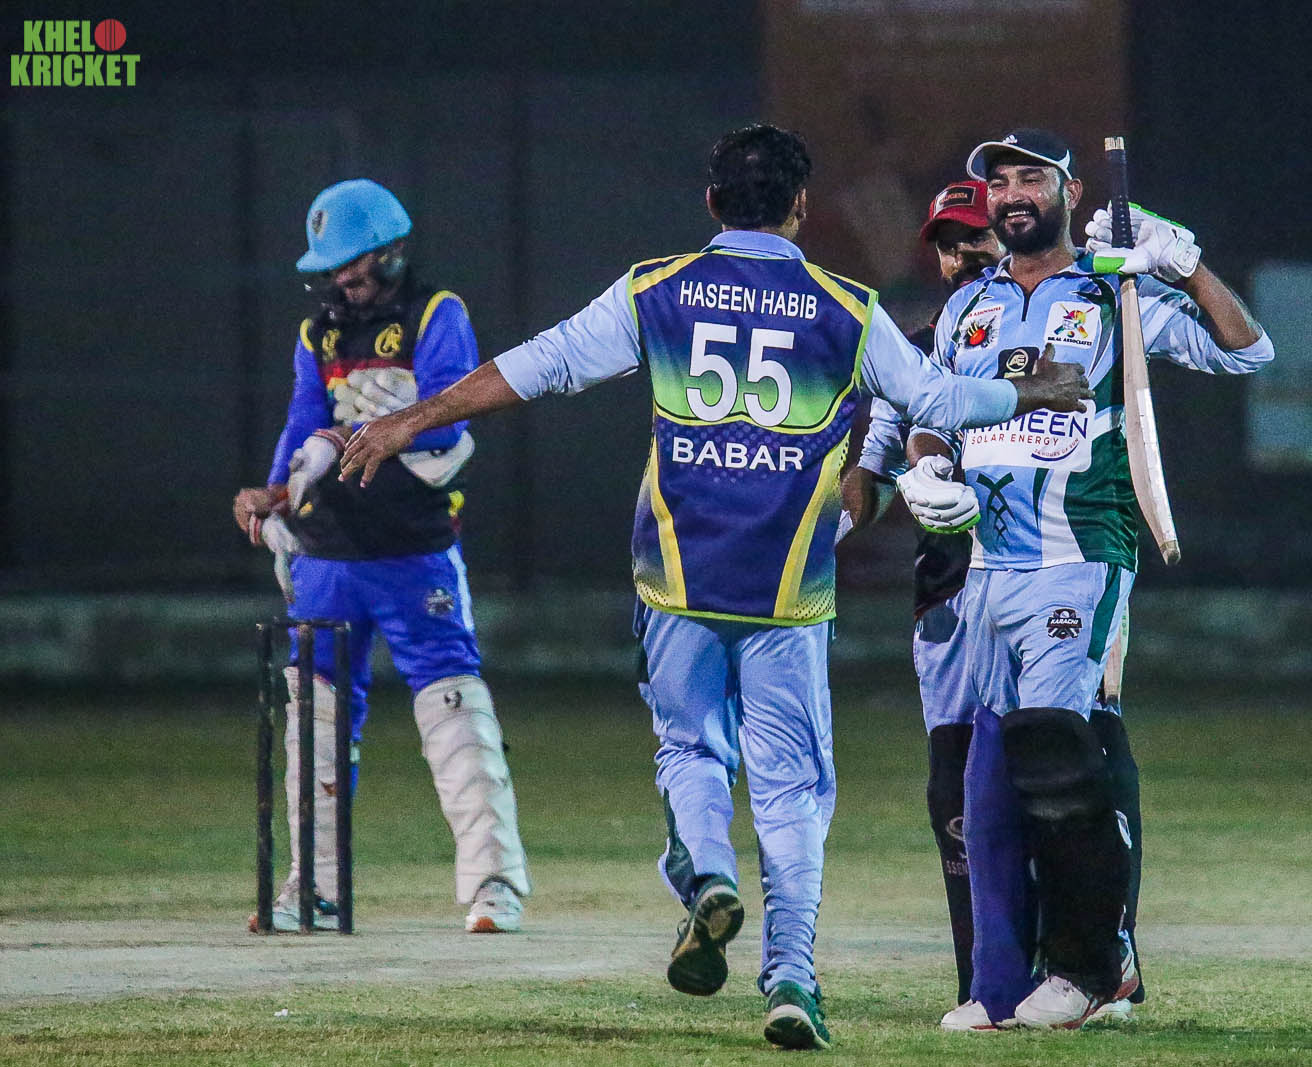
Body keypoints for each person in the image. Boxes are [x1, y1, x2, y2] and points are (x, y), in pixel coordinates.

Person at [337, 124, 1098, 1050]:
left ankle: (705, 874)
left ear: (711, 204)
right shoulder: (845, 306)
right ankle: (791, 976)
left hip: (676, 579)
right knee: (792, 790)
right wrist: (1032, 392)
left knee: (691, 750)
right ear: (801, 208)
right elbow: (937, 399)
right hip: (788, 588)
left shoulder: (656, 288)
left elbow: (540, 364)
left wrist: (409, 419)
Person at [902, 128, 1274, 1030]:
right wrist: (926, 466)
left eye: (1031, 177)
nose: (1012, 194)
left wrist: (1184, 265)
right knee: (990, 779)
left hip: (1079, 555)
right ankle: (998, 984)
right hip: (985, 564)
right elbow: (934, 412)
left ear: (1070, 192)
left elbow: (1246, 350)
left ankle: (1090, 968)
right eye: (1000, 181)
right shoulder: (969, 304)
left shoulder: (1116, 290)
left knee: (1056, 754)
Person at [840, 179, 1148, 1029]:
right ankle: (990, 978)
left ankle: (1101, 957)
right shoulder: (927, 341)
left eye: (973, 238)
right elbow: (878, 460)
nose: (960, 257)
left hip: (1062, 561)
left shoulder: (1081, 312)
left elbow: (1100, 407)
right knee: (963, 784)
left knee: (1075, 753)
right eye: (946, 245)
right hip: (952, 583)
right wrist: (890, 484)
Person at [231, 178, 530, 935]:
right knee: (314, 720)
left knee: (454, 712)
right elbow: (303, 417)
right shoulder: (318, 333)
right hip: (327, 554)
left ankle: (494, 883)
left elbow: (449, 416)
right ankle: (313, 887)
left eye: (354, 263)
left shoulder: (436, 313)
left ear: (393, 250)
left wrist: (349, 436)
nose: (343, 279)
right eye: (332, 267)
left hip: (414, 548)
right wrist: (275, 492)